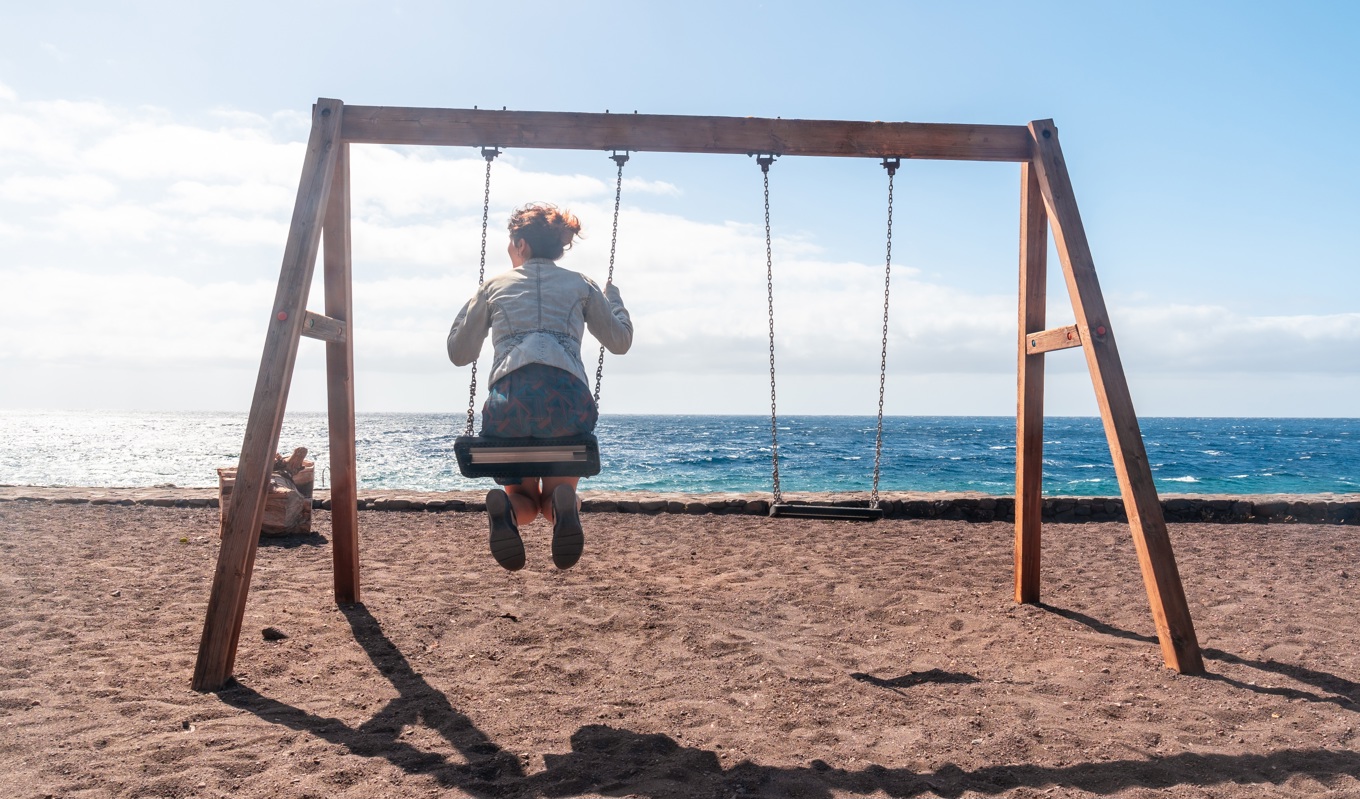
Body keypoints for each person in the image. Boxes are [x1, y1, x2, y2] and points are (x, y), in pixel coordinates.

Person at [448, 203, 633, 571]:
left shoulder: (493, 287)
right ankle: (564, 499)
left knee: (523, 499)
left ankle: (508, 513)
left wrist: (473, 303)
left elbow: (459, 353)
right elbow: (620, 341)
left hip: (509, 407)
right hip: (566, 404)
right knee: (552, 499)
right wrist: (614, 300)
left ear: (521, 245)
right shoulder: (581, 284)